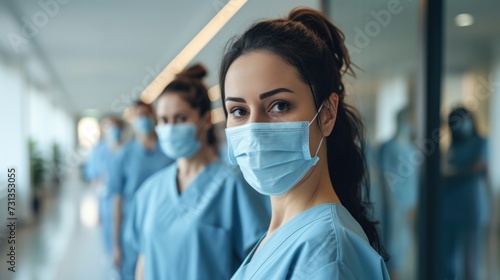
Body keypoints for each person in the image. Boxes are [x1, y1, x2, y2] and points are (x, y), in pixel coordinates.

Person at [220, 8, 389, 279]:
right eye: (239, 111)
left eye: (279, 105)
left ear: (327, 114)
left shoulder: (328, 254)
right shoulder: (282, 236)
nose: (254, 130)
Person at [133, 64, 270, 280]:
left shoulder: (232, 185)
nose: (170, 128)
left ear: (205, 120)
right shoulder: (150, 191)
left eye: (181, 119)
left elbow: (259, 266)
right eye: (164, 120)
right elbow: (144, 260)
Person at [108, 101, 173, 279]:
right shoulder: (124, 155)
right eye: (139, 115)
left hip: (166, 224)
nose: (144, 119)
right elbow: (117, 200)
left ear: (154, 117)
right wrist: (115, 245)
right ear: (133, 120)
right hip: (133, 228)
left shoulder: (169, 150)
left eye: (147, 114)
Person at [441, 107, 490, 280]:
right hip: (449, 207)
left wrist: (454, 173)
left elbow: (479, 168)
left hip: (471, 206)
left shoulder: (482, 142)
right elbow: (443, 173)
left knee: (470, 258)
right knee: (448, 258)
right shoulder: (452, 145)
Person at [379, 108, 418, 279]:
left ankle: (398, 271)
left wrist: (414, 202)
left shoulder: (411, 147)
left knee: (405, 241)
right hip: (395, 202)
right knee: (393, 241)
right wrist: (390, 200)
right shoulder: (388, 146)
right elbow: (385, 175)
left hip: (409, 202)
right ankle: (391, 273)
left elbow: (414, 178)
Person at [84, 116, 124, 259]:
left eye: (116, 127)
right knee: (110, 244)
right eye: (109, 127)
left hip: (127, 205)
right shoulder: (99, 151)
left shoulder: (127, 150)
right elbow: (94, 179)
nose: (113, 131)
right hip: (106, 203)